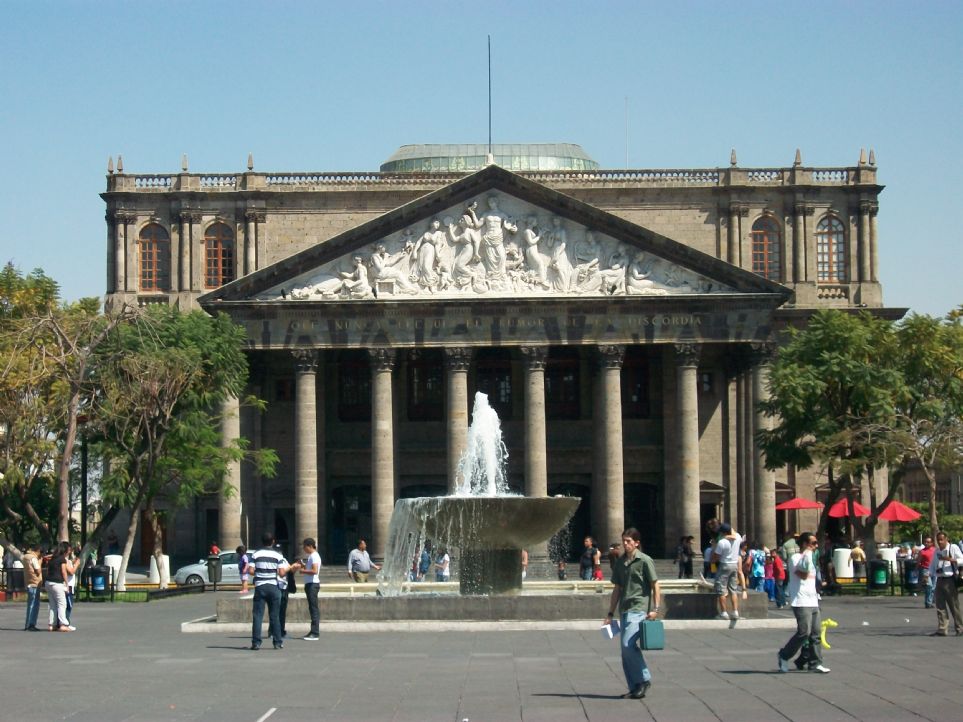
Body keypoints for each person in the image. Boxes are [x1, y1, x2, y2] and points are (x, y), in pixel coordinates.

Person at [604, 527, 661, 699]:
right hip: (625, 609)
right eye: (624, 541)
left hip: (639, 608)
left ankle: (644, 680)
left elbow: (655, 584)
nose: (625, 544)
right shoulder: (620, 562)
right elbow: (617, 589)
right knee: (625, 650)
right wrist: (610, 613)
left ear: (636, 543)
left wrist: (655, 609)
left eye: (628, 541)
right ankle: (635, 686)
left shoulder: (644, 560)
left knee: (628, 646)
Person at [777, 532, 830, 673]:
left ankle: (815, 663)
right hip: (800, 601)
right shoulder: (795, 558)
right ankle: (784, 655)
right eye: (813, 543)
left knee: (816, 633)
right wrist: (807, 554)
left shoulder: (811, 557)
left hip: (813, 600)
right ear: (805, 544)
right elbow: (803, 575)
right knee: (804, 633)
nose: (816, 546)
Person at [249, 531, 289, 650]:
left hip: (260, 587)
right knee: (274, 616)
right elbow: (281, 573)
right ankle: (277, 642)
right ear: (273, 541)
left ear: (262, 541)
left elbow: (250, 571)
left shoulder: (256, 554)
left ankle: (256, 642)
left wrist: (260, 573)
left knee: (257, 616)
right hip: (273, 587)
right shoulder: (278, 555)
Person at [928, 532, 963, 636]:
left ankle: (960, 628)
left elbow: (962, 560)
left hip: (950, 579)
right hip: (940, 578)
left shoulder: (953, 547)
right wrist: (928, 574)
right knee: (940, 605)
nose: (940, 542)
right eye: (938, 540)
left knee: (954, 605)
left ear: (946, 539)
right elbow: (933, 564)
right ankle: (942, 629)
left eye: (941, 539)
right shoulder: (937, 551)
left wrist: (951, 560)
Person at [290, 537, 321, 641]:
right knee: (312, 608)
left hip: (312, 584)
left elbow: (314, 571)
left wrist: (303, 571)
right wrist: (303, 566)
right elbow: (311, 569)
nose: (303, 549)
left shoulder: (314, 556)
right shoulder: (312, 556)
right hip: (310, 584)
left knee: (313, 608)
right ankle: (313, 631)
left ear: (310, 546)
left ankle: (315, 632)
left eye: (304, 547)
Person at [711, 523, 743, 620]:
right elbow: (734, 532)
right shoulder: (738, 537)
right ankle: (735, 612)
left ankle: (724, 613)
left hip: (724, 565)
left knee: (721, 590)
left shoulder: (722, 542)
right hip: (734, 564)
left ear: (722, 532)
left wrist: (712, 560)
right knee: (733, 590)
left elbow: (716, 557)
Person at [45, 541, 74, 632]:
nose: (69, 552)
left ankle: (51, 624)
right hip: (57, 583)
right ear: (65, 550)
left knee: (52, 604)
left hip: (48, 582)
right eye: (68, 550)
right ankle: (63, 624)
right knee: (62, 604)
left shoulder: (52, 558)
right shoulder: (62, 559)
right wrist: (66, 583)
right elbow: (64, 572)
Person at [23, 542, 43, 631]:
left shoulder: (26, 557)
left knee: (30, 604)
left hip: (28, 582)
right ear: (38, 550)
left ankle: (28, 624)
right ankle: (31, 624)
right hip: (34, 583)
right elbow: (38, 571)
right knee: (34, 605)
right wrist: (40, 562)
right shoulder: (34, 558)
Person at [916, 536, 936, 608]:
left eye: (928, 542)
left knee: (933, 587)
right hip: (925, 570)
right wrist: (916, 569)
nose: (926, 543)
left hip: (934, 570)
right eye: (925, 542)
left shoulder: (935, 550)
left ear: (932, 543)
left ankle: (930, 601)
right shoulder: (922, 551)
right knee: (929, 586)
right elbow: (918, 561)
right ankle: (928, 603)